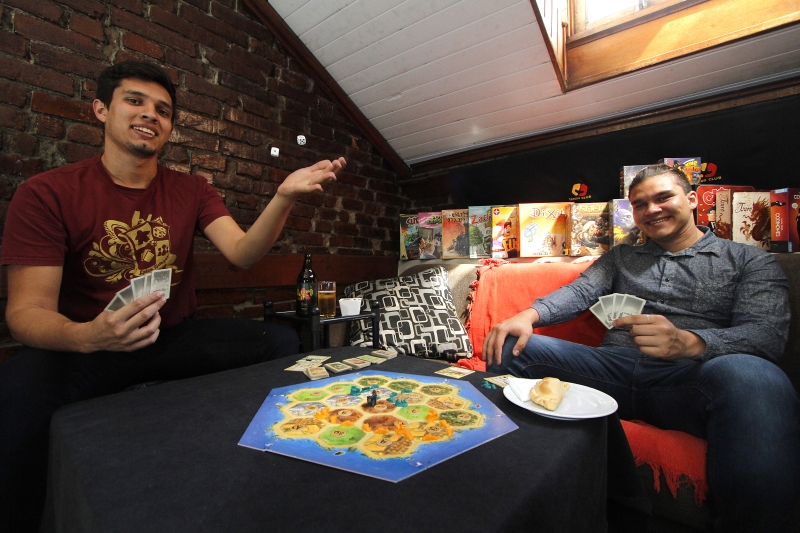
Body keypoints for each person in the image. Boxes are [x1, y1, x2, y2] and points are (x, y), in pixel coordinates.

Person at [0, 61, 347, 532]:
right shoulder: (47, 193)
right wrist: (89, 336)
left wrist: (283, 196)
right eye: (135, 101)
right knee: (16, 393)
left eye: (163, 110)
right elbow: (25, 313)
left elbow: (243, 253)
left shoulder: (192, 189)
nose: (150, 115)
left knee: (280, 344)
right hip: (88, 345)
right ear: (101, 109)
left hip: (171, 337)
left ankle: (271, 470)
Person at [483, 164, 799, 532]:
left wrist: (691, 343)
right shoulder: (622, 257)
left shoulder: (750, 260)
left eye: (663, 197)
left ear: (692, 200)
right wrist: (529, 314)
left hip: (689, 380)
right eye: (640, 204)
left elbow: (766, 335)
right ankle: (500, 479)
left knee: (756, 376)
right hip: (608, 371)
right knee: (510, 345)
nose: (651, 210)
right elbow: (580, 292)